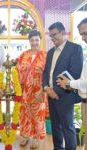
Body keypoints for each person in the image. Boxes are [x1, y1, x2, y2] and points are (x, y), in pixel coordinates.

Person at [43, 22, 83, 150]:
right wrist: (46, 88)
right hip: (51, 95)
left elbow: (74, 73)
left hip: (65, 96)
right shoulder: (50, 53)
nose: (52, 38)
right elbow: (46, 73)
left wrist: (55, 90)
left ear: (63, 32)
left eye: (54, 35)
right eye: (51, 36)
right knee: (55, 128)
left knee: (68, 128)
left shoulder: (75, 49)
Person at [57, 18, 87, 150]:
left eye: (85, 33)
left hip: (75, 95)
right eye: (81, 34)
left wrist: (70, 83)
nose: (83, 37)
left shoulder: (76, 49)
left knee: (68, 127)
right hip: (84, 102)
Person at [16, 30, 47, 149]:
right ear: (29, 41)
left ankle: (36, 139)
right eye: (32, 40)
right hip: (25, 90)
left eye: (37, 40)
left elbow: (48, 74)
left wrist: (43, 89)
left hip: (39, 90)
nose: (34, 42)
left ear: (40, 40)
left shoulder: (45, 55)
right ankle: (25, 136)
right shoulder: (23, 54)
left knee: (38, 115)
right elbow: (17, 70)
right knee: (25, 114)